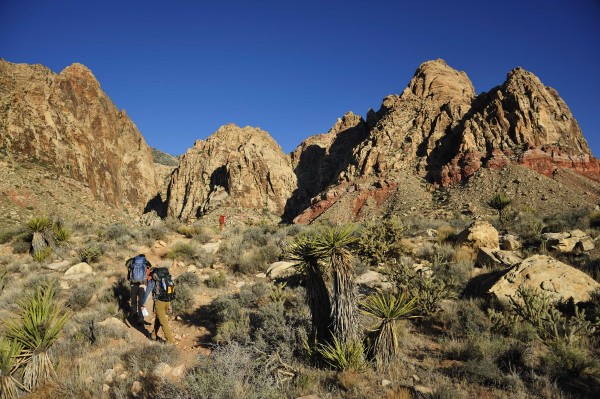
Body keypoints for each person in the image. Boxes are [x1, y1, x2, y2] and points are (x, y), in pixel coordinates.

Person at [140, 267, 175, 344]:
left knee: (163, 322)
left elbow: (148, 292)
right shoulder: (166, 276)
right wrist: (171, 304)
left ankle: (170, 342)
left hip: (159, 303)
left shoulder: (153, 278)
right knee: (159, 318)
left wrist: (143, 304)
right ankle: (153, 334)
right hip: (167, 301)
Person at [125, 253, 152, 325]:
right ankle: (141, 319)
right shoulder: (146, 262)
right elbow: (149, 273)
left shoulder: (132, 261)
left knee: (133, 301)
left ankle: (134, 314)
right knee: (141, 302)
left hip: (133, 284)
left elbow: (127, 268)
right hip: (142, 285)